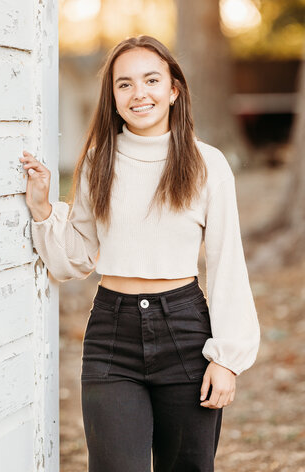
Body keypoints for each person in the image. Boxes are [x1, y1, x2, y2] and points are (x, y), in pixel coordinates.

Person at [19, 35, 261, 472]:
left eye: (151, 80)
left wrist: (227, 359)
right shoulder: (97, 162)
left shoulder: (208, 165)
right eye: (124, 84)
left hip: (184, 332)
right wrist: (41, 207)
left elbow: (228, 264)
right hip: (113, 333)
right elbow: (76, 257)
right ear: (112, 98)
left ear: (174, 90)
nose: (138, 93)